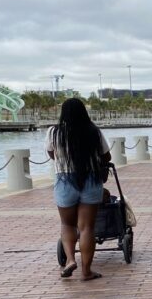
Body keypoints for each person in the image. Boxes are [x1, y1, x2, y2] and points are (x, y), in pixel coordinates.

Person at [45, 97, 112, 281]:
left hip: (65, 180)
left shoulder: (54, 132)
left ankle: (69, 260)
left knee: (67, 224)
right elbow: (106, 156)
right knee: (87, 227)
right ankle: (86, 271)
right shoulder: (93, 132)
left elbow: (52, 154)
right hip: (90, 179)